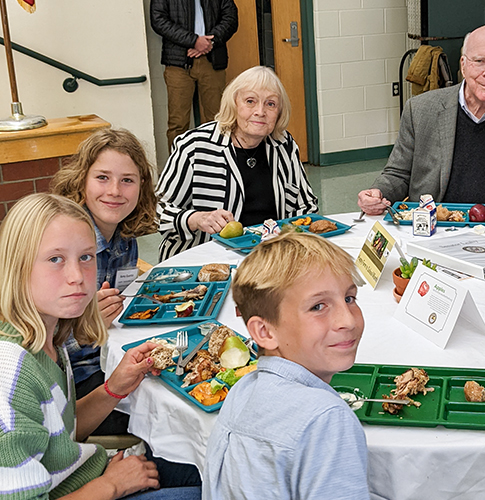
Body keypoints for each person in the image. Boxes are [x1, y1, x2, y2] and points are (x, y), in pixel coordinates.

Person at [0, 193, 200, 499]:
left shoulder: (47, 337)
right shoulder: (11, 374)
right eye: (55, 259)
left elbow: (61, 434)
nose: (77, 277)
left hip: (85, 474)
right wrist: (112, 485)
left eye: (86, 257)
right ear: (17, 265)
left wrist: (114, 388)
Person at [204, 231, 369, 499]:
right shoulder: (327, 419)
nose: (348, 321)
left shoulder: (243, 389)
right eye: (318, 306)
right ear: (265, 332)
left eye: (349, 298)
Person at [357, 24, 485, 216]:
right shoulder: (420, 110)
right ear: (463, 65)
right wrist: (378, 192)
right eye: (480, 61)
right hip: (433, 229)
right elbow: (398, 174)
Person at [50, 129, 159, 435]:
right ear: (81, 180)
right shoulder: (64, 247)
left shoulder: (124, 238)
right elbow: (35, 349)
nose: (114, 191)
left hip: (113, 359)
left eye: (127, 180)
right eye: (102, 178)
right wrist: (85, 328)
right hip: (76, 384)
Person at [156, 66, 318, 261]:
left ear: (280, 111)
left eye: (271, 104)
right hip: (203, 262)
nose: (260, 111)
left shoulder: (284, 145)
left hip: (270, 258)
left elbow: (306, 207)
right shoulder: (194, 146)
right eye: (250, 101)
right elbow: (159, 212)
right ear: (234, 104)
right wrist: (197, 218)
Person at [150, 0, 238, 147]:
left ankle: (217, 165)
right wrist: (193, 41)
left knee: (218, 119)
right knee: (178, 123)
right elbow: (158, 19)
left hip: (212, 60)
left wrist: (211, 42)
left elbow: (231, 17)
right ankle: (179, 167)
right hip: (178, 63)